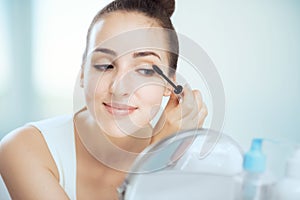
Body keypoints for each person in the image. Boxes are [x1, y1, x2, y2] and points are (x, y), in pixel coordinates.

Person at [0, 0, 208, 199]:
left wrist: (164, 155)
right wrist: (155, 161)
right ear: (82, 73)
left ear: (169, 84)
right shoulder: (24, 148)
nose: (119, 89)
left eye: (144, 70)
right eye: (104, 66)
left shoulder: (196, 167)